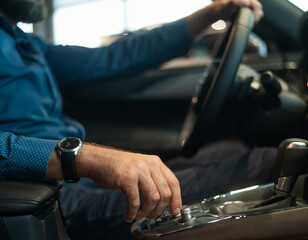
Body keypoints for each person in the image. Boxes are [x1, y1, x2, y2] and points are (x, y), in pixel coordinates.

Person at [0, 0, 276, 238]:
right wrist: (84, 158)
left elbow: (114, 57)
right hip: (53, 202)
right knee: (269, 164)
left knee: (234, 150)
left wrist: (210, 13)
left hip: (79, 184)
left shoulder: (25, 43)